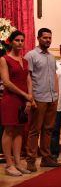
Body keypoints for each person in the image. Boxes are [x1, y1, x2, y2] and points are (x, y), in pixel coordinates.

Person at [25, 28, 61, 172]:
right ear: (38, 38)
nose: (48, 40)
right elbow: (28, 77)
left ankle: (46, 158)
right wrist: (30, 97)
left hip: (52, 97)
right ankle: (31, 159)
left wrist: (56, 94)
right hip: (38, 97)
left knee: (48, 129)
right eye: (45, 37)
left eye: (50, 38)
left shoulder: (52, 57)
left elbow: (54, 76)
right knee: (35, 130)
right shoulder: (31, 55)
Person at [0, 30, 32, 176]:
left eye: (22, 40)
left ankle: (18, 163)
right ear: (11, 42)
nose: (20, 43)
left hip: (24, 100)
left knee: (20, 131)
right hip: (10, 99)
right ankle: (9, 164)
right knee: (9, 131)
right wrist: (25, 95)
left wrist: (29, 97)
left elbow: (28, 80)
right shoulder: (4, 59)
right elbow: (6, 82)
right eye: (17, 40)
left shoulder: (25, 61)